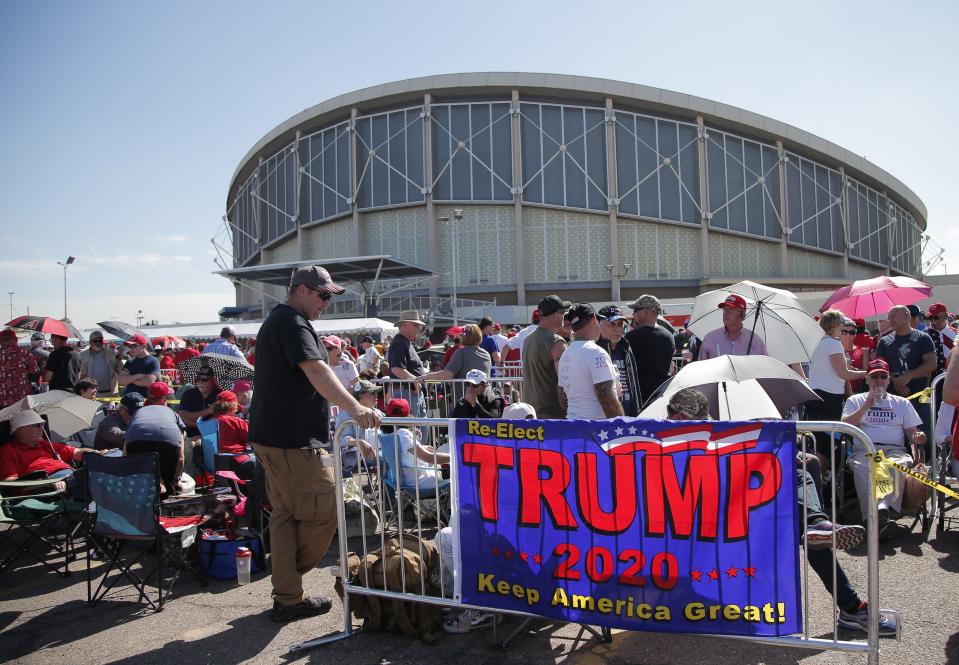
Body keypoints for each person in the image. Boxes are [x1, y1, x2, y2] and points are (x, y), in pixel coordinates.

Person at [665, 387, 893, 635]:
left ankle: (818, 531)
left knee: (807, 509)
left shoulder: (711, 438)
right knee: (801, 487)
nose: (693, 426)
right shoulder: (663, 447)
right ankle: (848, 599)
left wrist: (780, 455)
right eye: (685, 420)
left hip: (745, 511)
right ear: (675, 417)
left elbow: (743, 467)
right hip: (712, 523)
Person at [247, 264, 380, 623]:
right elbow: (317, 369)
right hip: (291, 440)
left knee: (286, 515)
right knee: (327, 506)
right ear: (302, 290)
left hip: (276, 437)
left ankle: (287, 593)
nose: (327, 303)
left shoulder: (283, 321)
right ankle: (287, 585)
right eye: (323, 295)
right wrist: (354, 407)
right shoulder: (292, 322)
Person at [842, 358, 926, 534]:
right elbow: (845, 426)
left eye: (883, 376)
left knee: (897, 466)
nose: (878, 381)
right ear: (867, 379)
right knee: (865, 467)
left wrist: (917, 437)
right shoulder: (855, 401)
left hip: (894, 450)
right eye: (874, 377)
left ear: (888, 380)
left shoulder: (902, 403)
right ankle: (879, 515)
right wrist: (866, 406)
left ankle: (881, 512)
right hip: (865, 449)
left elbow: (911, 433)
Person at [0, 410, 109, 499]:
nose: (42, 428)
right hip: (44, 486)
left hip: (69, 477)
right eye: (37, 425)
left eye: (43, 424)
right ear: (20, 429)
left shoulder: (44, 443)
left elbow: (76, 452)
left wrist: (98, 453)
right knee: (96, 484)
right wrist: (46, 483)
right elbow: (10, 484)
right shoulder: (8, 451)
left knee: (101, 475)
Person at [805, 310, 867, 455]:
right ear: (835, 325)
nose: (843, 326)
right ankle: (825, 475)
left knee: (815, 440)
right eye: (841, 323)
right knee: (826, 443)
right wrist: (866, 373)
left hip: (813, 394)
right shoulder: (833, 344)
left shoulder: (816, 342)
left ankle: (819, 475)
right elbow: (843, 374)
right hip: (829, 397)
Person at [557, 304, 623, 419]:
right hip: (596, 428)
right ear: (593, 318)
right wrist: (622, 425)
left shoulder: (566, 354)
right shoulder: (596, 353)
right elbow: (607, 398)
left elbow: (563, 398)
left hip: (573, 423)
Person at [378, 398, 449, 487]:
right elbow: (429, 458)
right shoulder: (403, 434)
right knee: (452, 469)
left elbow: (403, 450)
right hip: (420, 481)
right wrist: (455, 456)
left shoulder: (385, 434)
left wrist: (421, 446)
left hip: (405, 480)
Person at [125, 402, 187, 497]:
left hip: (136, 440)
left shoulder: (138, 412)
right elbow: (181, 458)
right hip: (167, 439)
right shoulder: (172, 412)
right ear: (164, 400)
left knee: (140, 485)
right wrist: (174, 481)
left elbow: (125, 453)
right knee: (169, 487)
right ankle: (169, 501)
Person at [523, 296, 570, 419]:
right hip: (552, 414)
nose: (564, 316)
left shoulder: (528, 340)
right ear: (554, 314)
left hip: (529, 411)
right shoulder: (557, 342)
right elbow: (565, 380)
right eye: (562, 312)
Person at [624, 294, 675, 407]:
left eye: (635, 310)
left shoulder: (632, 337)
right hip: (662, 393)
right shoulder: (668, 335)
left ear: (645, 311)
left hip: (640, 397)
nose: (633, 314)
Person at [595, 305, 640, 416]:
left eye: (620, 324)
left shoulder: (625, 347)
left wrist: (638, 410)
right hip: (604, 416)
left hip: (629, 413)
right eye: (612, 324)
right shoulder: (594, 350)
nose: (617, 328)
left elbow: (634, 382)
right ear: (599, 324)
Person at [332, 380, 385, 470]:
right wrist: (359, 442)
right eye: (372, 392)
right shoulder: (346, 414)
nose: (376, 395)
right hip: (361, 456)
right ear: (361, 396)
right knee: (395, 455)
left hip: (380, 452)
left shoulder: (377, 412)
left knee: (401, 451)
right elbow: (340, 439)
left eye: (376, 392)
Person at [697, 294, 768, 360]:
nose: (725, 313)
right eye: (725, 309)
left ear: (742, 315)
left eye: (730, 309)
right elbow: (701, 369)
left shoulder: (755, 341)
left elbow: (766, 368)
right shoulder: (710, 339)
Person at [387, 310, 428, 418]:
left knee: (419, 429)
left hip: (410, 392)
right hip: (407, 393)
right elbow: (396, 369)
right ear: (404, 325)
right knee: (413, 430)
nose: (419, 328)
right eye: (415, 324)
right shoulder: (400, 342)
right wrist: (415, 381)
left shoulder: (404, 341)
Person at [419, 324, 491, 383]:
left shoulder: (461, 352)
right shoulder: (486, 354)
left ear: (463, 337)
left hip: (465, 396)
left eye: (461, 335)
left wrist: (426, 376)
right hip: (484, 396)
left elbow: (446, 375)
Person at [210, 390, 255, 478]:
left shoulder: (211, 421)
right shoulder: (235, 421)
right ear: (232, 406)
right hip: (238, 461)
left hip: (217, 464)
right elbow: (251, 440)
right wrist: (249, 426)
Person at [178, 366, 220, 439]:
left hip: (212, 436)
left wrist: (191, 420)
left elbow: (217, 421)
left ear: (213, 380)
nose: (200, 382)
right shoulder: (189, 393)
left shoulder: (219, 395)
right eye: (198, 379)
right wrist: (209, 411)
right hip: (190, 436)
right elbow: (182, 417)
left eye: (204, 379)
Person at [0, 328, 38, 408]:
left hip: (2, 400)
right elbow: (34, 373)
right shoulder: (25, 353)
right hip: (21, 398)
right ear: (15, 339)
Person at [78, 330, 122, 396]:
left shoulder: (112, 353)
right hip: (90, 394)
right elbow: (79, 375)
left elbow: (120, 371)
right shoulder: (82, 355)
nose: (98, 343)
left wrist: (118, 360)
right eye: (95, 341)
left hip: (109, 393)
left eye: (100, 341)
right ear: (90, 342)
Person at [924, 302, 953, 379]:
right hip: (930, 378)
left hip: (952, 375)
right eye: (930, 317)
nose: (933, 321)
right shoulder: (923, 335)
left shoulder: (956, 334)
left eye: (936, 317)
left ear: (946, 316)